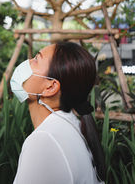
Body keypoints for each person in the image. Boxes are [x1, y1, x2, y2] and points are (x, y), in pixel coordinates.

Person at [10, 41, 106, 184]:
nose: (28, 61)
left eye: (36, 59)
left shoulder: (44, 140)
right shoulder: (70, 125)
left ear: (50, 87)